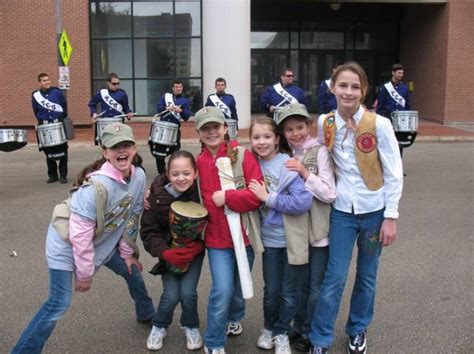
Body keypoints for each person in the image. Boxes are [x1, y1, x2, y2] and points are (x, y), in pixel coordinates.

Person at [11, 123, 155, 354]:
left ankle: (147, 314)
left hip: (102, 242)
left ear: (134, 148)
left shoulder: (138, 177)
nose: (121, 150)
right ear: (105, 152)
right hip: (67, 245)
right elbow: (79, 237)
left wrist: (127, 253)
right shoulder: (95, 188)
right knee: (59, 303)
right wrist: (84, 274)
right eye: (114, 146)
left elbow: (133, 214)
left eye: (126, 144)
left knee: (132, 271)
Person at [308, 62, 403, 354]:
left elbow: (393, 172)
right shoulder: (326, 121)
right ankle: (320, 339)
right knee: (334, 277)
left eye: (354, 87)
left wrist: (391, 216)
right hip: (342, 213)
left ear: (363, 91)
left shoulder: (379, 124)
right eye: (342, 85)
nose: (348, 92)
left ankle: (358, 328)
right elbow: (319, 158)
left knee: (367, 275)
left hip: (374, 213)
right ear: (333, 88)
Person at [194, 107, 264, 354]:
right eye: (206, 128)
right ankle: (214, 343)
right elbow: (179, 185)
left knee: (237, 290)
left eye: (216, 126)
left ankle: (235, 318)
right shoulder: (198, 162)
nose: (211, 132)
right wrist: (154, 194)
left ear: (225, 128)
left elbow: (257, 195)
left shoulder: (242, 155)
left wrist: (228, 197)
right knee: (221, 290)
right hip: (216, 240)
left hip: (244, 236)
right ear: (199, 133)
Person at [248, 116, 313, 354]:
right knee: (271, 290)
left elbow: (302, 201)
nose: (261, 142)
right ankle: (268, 328)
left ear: (277, 139)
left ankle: (282, 332)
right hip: (268, 241)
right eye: (256, 137)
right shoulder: (250, 164)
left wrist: (268, 198)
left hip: (290, 240)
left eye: (267, 137)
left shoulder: (288, 164)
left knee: (288, 292)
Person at [275, 103, 337, 352]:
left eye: (299, 127)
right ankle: (298, 327)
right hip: (295, 235)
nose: (295, 133)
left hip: (318, 233)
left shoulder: (319, 151)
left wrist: (304, 173)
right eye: (289, 129)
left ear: (308, 126)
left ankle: (312, 332)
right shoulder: (284, 155)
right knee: (299, 285)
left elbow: (330, 193)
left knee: (315, 287)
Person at [140, 150, 206, 351]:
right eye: (175, 173)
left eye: (186, 173)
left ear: (195, 173)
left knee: (188, 293)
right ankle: (160, 325)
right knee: (170, 295)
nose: (181, 178)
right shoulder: (156, 195)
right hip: (168, 253)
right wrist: (165, 253)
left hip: (193, 253)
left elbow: (212, 225)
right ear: (167, 174)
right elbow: (149, 231)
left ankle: (191, 325)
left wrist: (199, 246)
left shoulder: (202, 192)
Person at [32, 73, 69, 184]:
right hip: (45, 125)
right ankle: (53, 175)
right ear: (40, 82)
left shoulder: (57, 92)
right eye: (44, 80)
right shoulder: (35, 95)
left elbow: (64, 104)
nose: (47, 82)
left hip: (58, 123)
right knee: (48, 150)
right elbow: (35, 110)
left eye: (48, 80)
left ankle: (63, 175)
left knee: (63, 149)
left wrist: (62, 117)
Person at [151, 80, 192, 174]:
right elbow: (158, 108)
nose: (179, 89)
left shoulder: (185, 101)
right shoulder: (165, 97)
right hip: (163, 127)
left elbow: (186, 117)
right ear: (173, 88)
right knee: (159, 153)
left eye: (180, 87)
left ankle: (173, 171)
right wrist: (166, 108)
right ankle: (162, 173)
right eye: (177, 87)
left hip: (175, 129)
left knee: (175, 153)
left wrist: (180, 111)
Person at [376, 63, 411, 158]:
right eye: (399, 73)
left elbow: (407, 105)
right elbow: (380, 105)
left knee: (400, 143)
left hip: (401, 120)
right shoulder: (385, 87)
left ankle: (398, 167)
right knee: (387, 142)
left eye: (402, 73)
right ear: (393, 73)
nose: (401, 75)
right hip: (388, 118)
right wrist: (378, 119)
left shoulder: (404, 87)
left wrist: (407, 120)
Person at [88, 73, 134, 145]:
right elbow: (91, 104)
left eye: (118, 84)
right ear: (108, 83)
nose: (116, 86)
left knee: (118, 144)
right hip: (105, 123)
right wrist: (94, 113)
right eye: (114, 84)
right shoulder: (102, 93)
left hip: (118, 123)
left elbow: (126, 108)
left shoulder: (122, 94)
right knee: (105, 144)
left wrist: (129, 113)